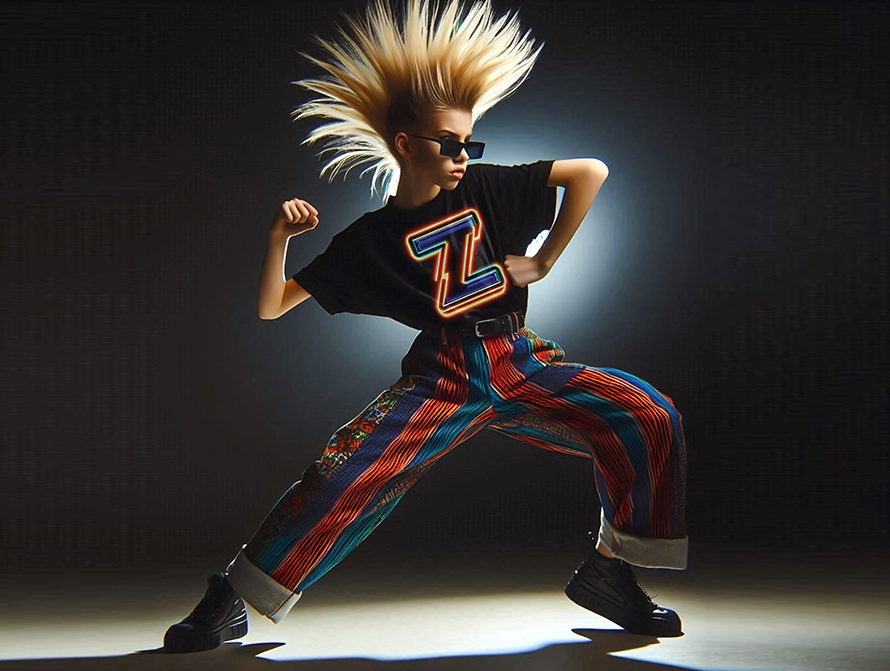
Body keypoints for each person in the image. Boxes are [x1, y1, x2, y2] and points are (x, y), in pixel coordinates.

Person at [162, 0, 688, 653]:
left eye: (469, 141)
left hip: (519, 359)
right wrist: (277, 238)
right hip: (443, 375)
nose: (462, 154)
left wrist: (547, 257)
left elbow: (590, 172)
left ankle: (611, 572)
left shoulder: (490, 188)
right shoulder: (369, 243)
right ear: (406, 144)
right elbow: (273, 305)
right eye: (449, 143)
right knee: (342, 473)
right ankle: (230, 599)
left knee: (647, 414)